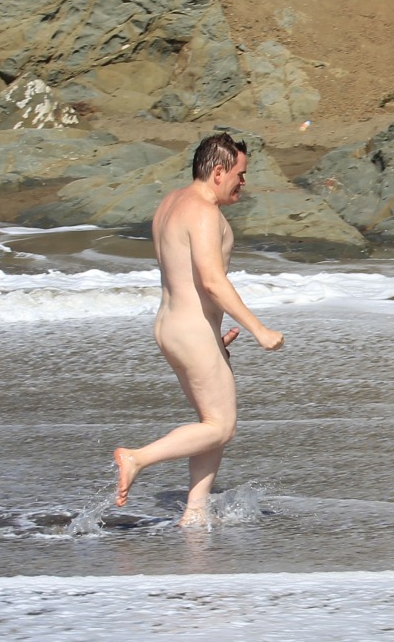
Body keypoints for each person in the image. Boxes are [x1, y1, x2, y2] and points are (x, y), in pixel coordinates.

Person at [114, 133, 285, 525]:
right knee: (221, 426)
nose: (244, 182)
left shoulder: (170, 203)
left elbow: (186, 277)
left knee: (211, 422)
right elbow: (211, 281)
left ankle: (195, 511)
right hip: (191, 331)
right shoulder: (204, 211)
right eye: (240, 174)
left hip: (172, 327)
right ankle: (136, 458)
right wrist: (259, 330)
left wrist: (213, 338)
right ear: (218, 171)